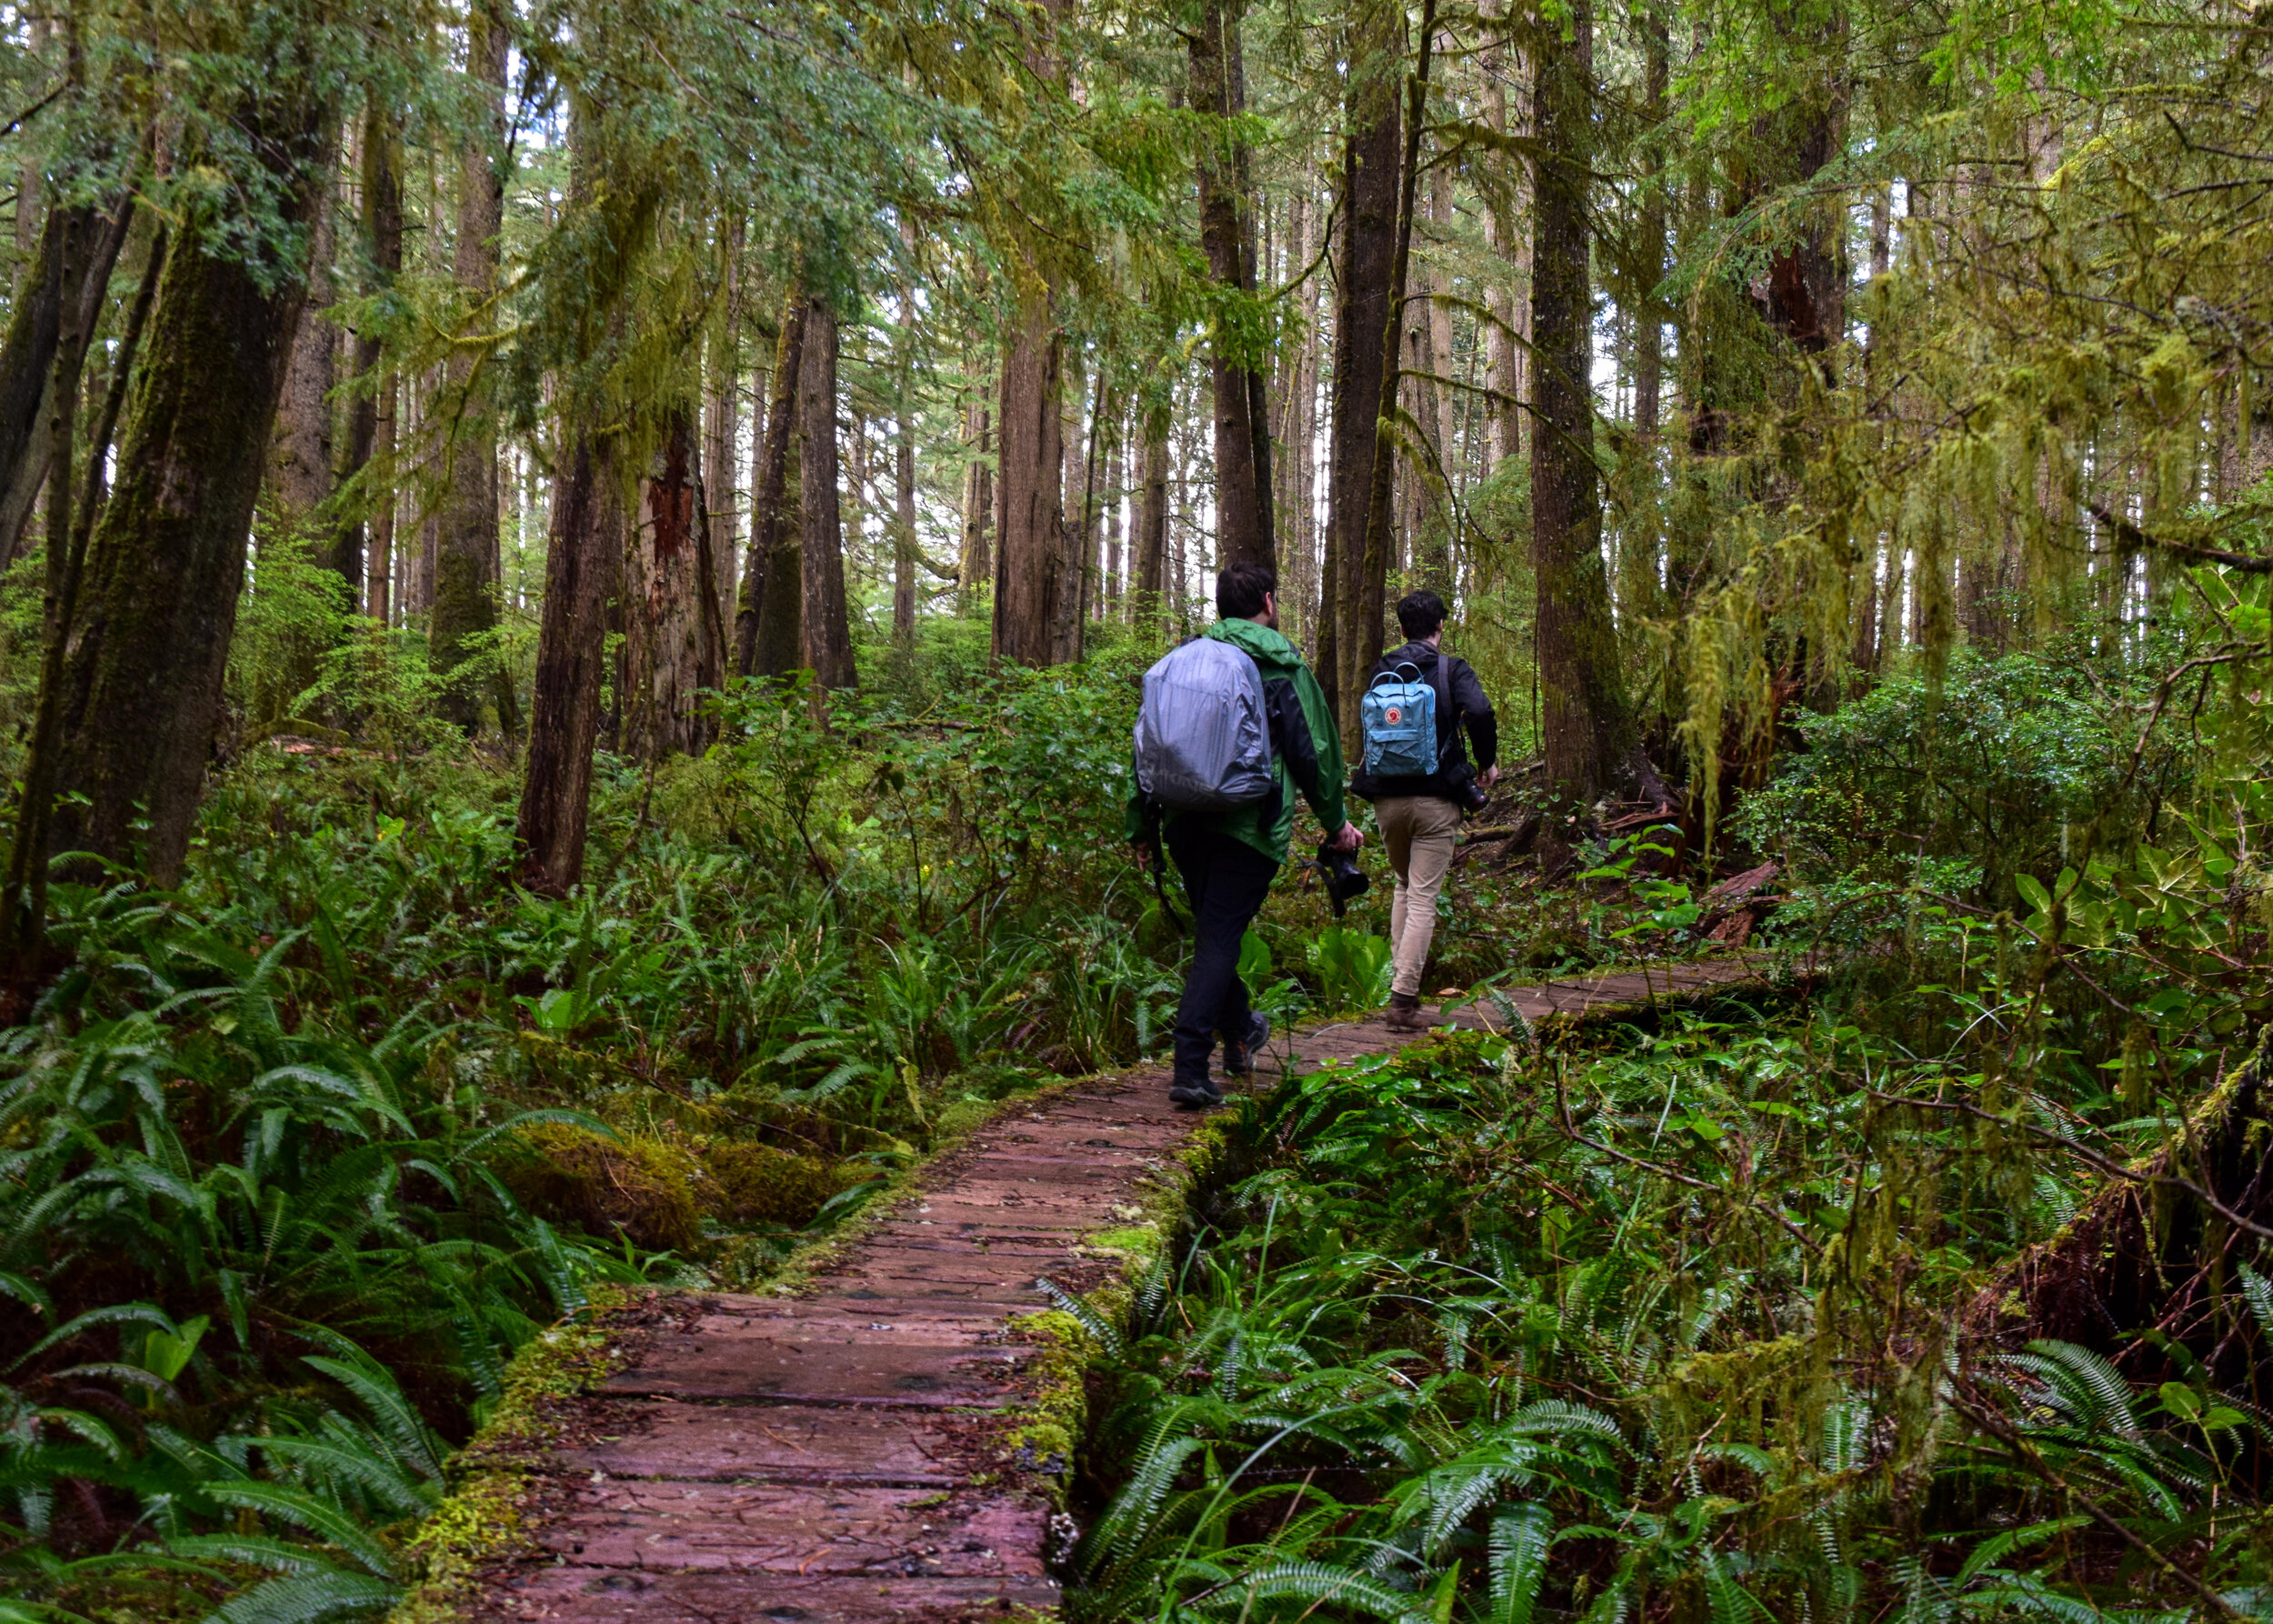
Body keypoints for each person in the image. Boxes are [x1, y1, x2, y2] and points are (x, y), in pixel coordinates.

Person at [1127, 561, 1362, 1109]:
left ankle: (1241, 1034)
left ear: (1221, 608)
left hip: (1183, 822)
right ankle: (1190, 1066)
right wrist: (1336, 824)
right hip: (1249, 829)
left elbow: (1144, 748)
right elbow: (1314, 752)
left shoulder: (1181, 663)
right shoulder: (1280, 666)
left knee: (1216, 932)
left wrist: (1141, 825)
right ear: (1270, 603)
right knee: (1219, 939)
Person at [1350, 589, 1499, 1032]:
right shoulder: (1452, 669)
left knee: (1403, 885)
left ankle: (1400, 987)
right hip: (1436, 799)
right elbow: (1480, 711)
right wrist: (1486, 762)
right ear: (1440, 627)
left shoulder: (1382, 669)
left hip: (1386, 799)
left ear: (1401, 629)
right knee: (1423, 896)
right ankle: (1402, 1002)